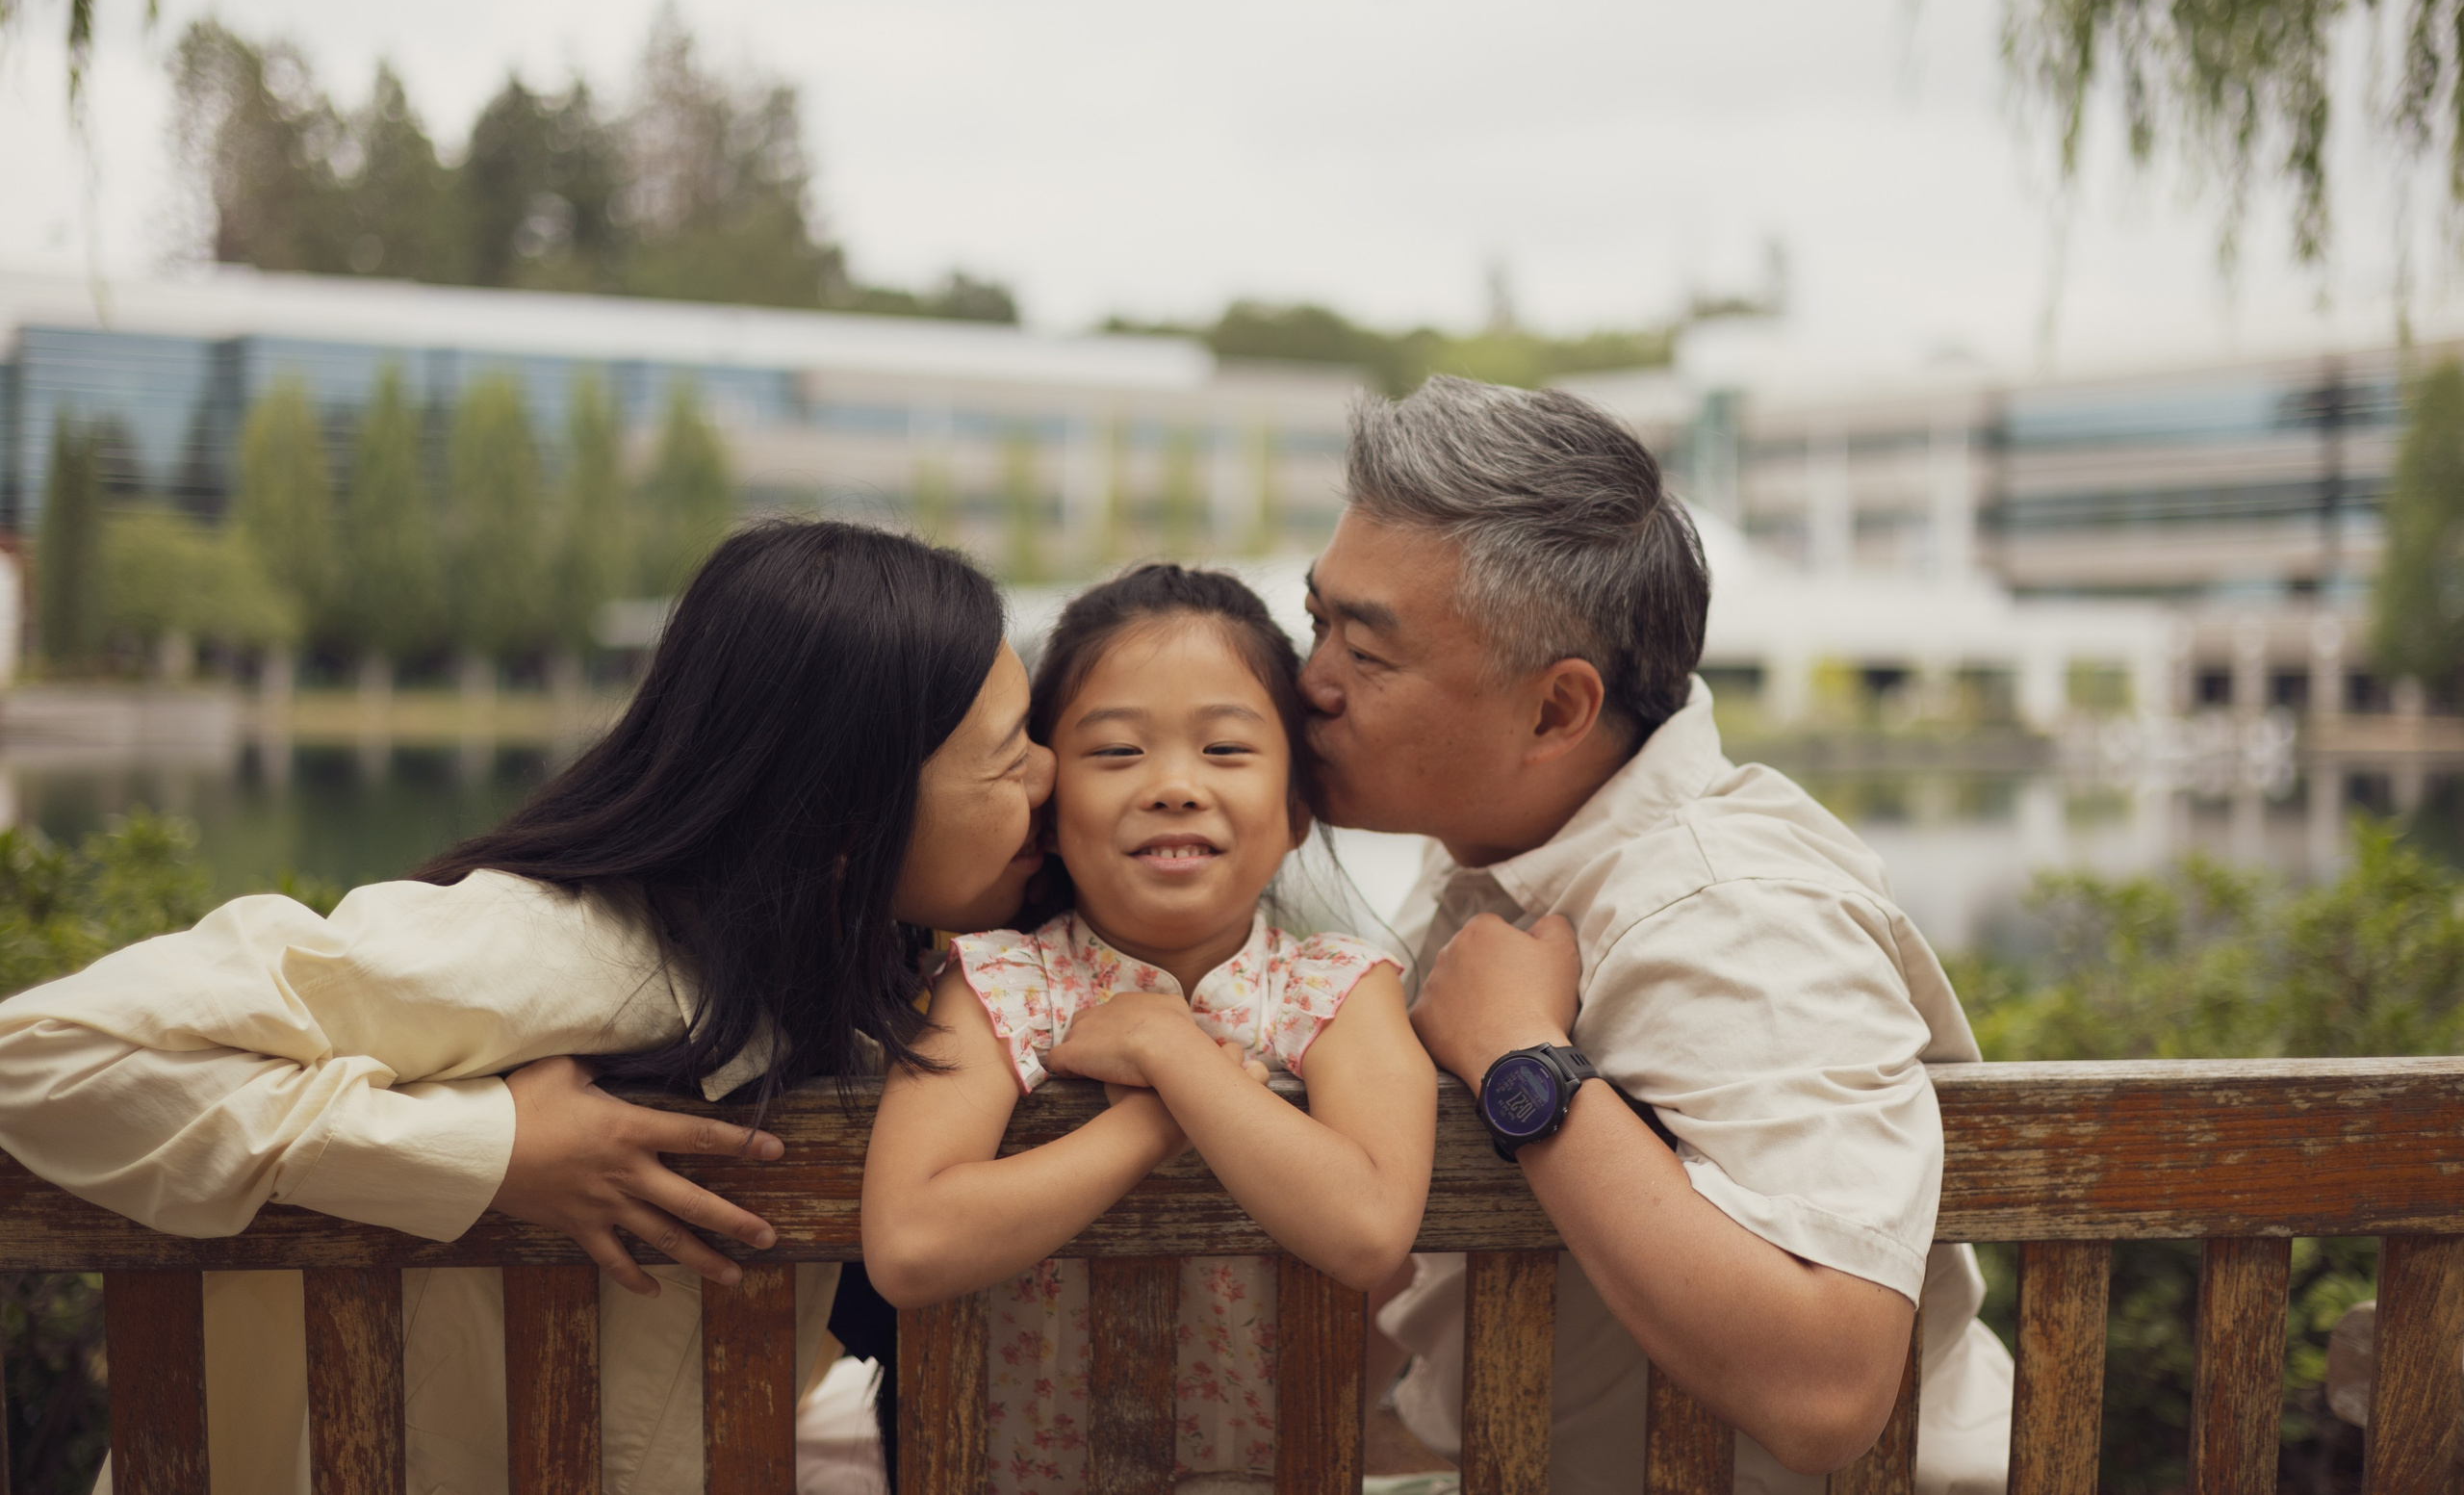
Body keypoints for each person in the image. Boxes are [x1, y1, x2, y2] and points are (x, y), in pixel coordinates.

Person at [0, 520, 1058, 1495]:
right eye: (1014, 754)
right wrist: (488, 1152)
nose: (1053, 777)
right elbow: (40, 1055)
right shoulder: (552, 949)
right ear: (845, 813)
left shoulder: (858, 993)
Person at [1301, 378, 2013, 1495]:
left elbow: (1829, 1386)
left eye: (1366, 654)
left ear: (1555, 712)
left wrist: (1520, 1066)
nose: (1310, 687)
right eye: (1315, 625)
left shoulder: (1731, 910)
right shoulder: (1500, 856)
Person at [861, 562, 1436, 1494]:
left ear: (1296, 809)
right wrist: (1152, 1119)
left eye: (1225, 752)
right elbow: (910, 1243)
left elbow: (1369, 1227)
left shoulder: (1335, 989)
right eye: (1118, 754)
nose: (1173, 786)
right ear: (1047, 808)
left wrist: (1168, 1049)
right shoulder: (1000, 984)